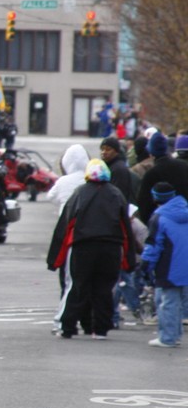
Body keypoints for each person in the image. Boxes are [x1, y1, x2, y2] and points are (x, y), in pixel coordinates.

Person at [47, 159, 136, 339]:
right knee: (104, 289)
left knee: (78, 287)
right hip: (111, 248)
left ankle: (68, 327)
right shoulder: (116, 194)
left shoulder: (80, 193)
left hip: (83, 246)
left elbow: (65, 226)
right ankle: (101, 329)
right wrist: (129, 260)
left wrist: (55, 258)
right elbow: (126, 230)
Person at [140, 183, 188, 347]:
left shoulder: (159, 217)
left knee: (166, 301)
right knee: (178, 302)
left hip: (170, 264)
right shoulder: (185, 211)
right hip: (185, 263)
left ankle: (167, 337)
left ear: (155, 198)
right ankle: (174, 336)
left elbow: (154, 245)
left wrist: (145, 266)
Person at [137, 131, 188, 224]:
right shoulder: (184, 166)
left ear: (151, 152)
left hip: (163, 224)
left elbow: (144, 204)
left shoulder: (151, 174)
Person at [100, 136, 134, 202]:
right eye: (102, 149)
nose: (104, 152)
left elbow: (117, 195)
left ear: (116, 151)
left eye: (108, 149)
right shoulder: (108, 166)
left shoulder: (118, 169)